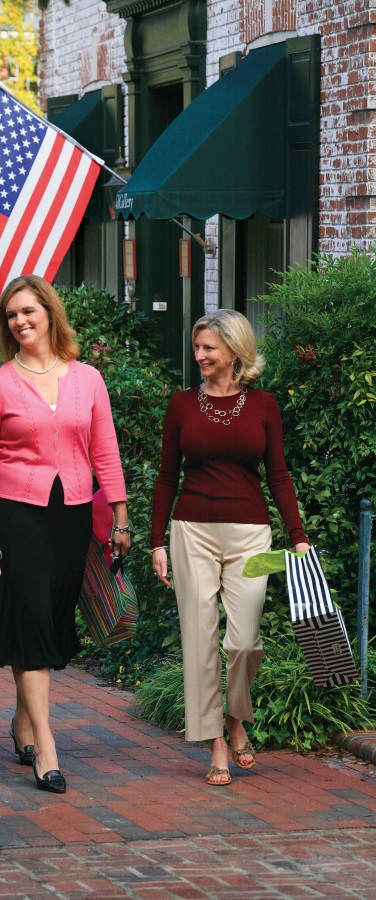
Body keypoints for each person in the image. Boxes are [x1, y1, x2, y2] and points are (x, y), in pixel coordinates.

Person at [0, 274, 130, 794]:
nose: (20, 322)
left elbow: (105, 450)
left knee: (53, 618)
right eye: (12, 315)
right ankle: (46, 747)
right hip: (18, 512)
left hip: (73, 513)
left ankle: (21, 721)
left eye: (28, 312)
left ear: (49, 314)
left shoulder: (87, 379)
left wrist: (122, 517)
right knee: (34, 613)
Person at [150, 309, 309, 786]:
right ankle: (216, 740)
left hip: (252, 535)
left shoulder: (263, 405)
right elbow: (166, 476)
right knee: (199, 640)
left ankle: (236, 715)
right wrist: (156, 541)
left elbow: (277, 474)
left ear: (234, 352)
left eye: (208, 349)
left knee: (244, 640)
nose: (198, 356)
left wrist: (297, 535)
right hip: (190, 531)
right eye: (196, 347)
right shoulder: (181, 405)